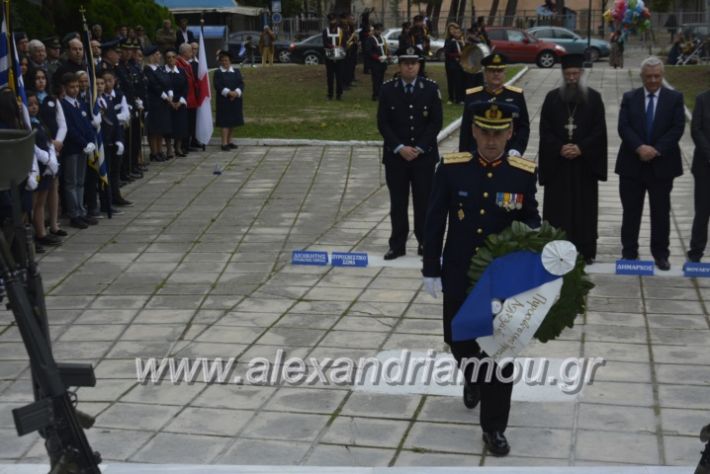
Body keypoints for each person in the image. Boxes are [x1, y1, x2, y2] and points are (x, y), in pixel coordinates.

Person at [422, 101, 540, 458]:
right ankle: (472, 376)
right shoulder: (452, 168)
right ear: (473, 132)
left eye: (498, 133)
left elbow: (531, 219)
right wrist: (431, 267)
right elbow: (434, 219)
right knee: (459, 343)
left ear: (510, 133)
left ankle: (494, 429)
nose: (491, 141)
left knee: (500, 354)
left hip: (501, 280)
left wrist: (537, 246)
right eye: (485, 133)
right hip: (459, 272)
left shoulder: (522, 173)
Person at [616, 56, 685, 270]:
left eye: (657, 76)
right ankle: (629, 253)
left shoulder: (675, 98)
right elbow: (624, 127)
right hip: (632, 164)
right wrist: (640, 148)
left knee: (661, 212)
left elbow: (677, 128)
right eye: (649, 76)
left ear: (662, 76)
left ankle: (661, 254)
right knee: (631, 211)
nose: (653, 80)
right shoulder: (630, 97)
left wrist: (655, 150)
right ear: (642, 77)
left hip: (662, 165)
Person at [538, 54, 607, 264]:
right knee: (558, 209)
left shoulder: (594, 98)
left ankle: (585, 251)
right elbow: (545, 130)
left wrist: (581, 148)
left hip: (584, 166)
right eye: (568, 74)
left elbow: (599, 131)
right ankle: (554, 250)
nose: (571, 78)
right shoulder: (551, 99)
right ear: (562, 75)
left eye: (575, 74)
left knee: (584, 210)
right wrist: (560, 148)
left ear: (582, 74)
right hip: (558, 166)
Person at [377, 47, 442, 260]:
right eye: (405, 63)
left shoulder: (431, 89)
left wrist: (419, 148)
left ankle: (425, 242)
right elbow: (383, 123)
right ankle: (397, 244)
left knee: (424, 202)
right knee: (398, 202)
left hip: (423, 157)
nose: (410, 66)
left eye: (414, 63)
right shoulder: (387, 89)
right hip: (396, 157)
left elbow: (435, 123)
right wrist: (400, 148)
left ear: (419, 65)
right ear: (399, 66)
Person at [459, 53, 529, 159]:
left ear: (505, 73)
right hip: (477, 153)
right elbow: (466, 129)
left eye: (499, 71)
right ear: (485, 73)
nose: (496, 74)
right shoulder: (473, 96)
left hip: (508, 153)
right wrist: (464, 154)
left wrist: (517, 149)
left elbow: (523, 126)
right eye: (492, 71)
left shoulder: (516, 96)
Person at [59, 72, 98, 229]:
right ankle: (74, 213)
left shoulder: (79, 103)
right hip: (72, 148)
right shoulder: (63, 105)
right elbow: (69, 128)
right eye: (71, 87)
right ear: (65, 88)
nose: (75, 89)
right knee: (71, 182)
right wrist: (83, 142)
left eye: (76, 86)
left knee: (80, 181)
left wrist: (90, 141)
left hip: (83, 148)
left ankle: (81, 211)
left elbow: (87, 124)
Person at [687, 89, 710, 262]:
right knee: (702, 211)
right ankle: (696, 252)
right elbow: (696, 129)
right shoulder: (702, 99)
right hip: (704, 166)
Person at [143, 45, 172, 162]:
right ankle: (154, 152)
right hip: (154, 102)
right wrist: (166, 97)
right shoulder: (148, 69)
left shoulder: (160, 68)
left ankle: (160, 150)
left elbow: (168, 81)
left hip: (164, 102)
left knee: (161, 128)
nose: (159, 56)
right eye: (157, 54)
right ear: (151, 57)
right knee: (154, 129)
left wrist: (170, 94)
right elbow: (154, 85)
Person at [213, 50, 244, 151]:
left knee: (233, 121)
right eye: (222, 61)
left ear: (230, 61)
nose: (224, 63)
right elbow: (217, 85)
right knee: (225, 122)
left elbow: (241, 83)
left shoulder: (236, 71)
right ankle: (224, 143)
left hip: (235, 100)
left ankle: (230, 141)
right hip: (224, 101)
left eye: (226, 60)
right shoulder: (218, 72)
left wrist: (236, 93)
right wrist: (229, 93)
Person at [163, 48, 189, 158]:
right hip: (167, 103)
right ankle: (169, 148)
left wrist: (180, 101)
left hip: (180, 103)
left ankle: (178, 147)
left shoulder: (181, 71)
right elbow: (162, 87)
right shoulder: (162, 71)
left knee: (180, 126)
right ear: (165, 59)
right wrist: (170, 102)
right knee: (169, 127)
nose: (171, 59)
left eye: (173, 57)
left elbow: (186, 87)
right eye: (168, 57)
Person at [322, 13, 345, 100]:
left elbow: (344, 42)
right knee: (330, 77)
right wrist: (331, 46)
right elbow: (324, 43)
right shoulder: (326, 31)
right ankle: (330, 94)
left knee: (339, 76)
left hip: (339, 56)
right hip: (329, 56)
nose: (333, 22)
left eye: (334, 20)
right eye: (331, 20)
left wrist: (341, 47)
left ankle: (339, 94)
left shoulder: (340, 31)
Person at [364, 23, 388, 101]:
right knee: (376, 80)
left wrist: (387, 55)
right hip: (375, 63)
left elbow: (385, 48)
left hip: (383, 62)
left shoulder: (382, 38)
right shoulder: (370, 39)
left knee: (381, 79)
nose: (379, 32)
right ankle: (375, 95)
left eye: (380, 30)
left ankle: (380, 94)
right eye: (378, 30)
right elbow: (368, 51)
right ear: (374, 30)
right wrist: (377, 58)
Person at [444, 23, 465, 104]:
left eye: (454, 29)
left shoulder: (460, 40)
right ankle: (451, 98)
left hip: (460, 64)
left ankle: (459, 98)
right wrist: (457, 55)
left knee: (459, 81)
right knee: (451, 81)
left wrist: (463, 43)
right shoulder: (449, 41)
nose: (453, 31)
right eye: (451, 29)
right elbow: (447, 53)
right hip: (451, 64)